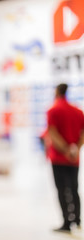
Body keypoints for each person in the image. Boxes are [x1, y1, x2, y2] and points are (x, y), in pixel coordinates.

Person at [46, 83, 84, 233]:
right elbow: (82, 134)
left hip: (58, 158)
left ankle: (67, 222)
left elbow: (53, 133)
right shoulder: (78, 111)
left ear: (56, 91)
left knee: (62, 190)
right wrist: (74, 149)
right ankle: (77, 219)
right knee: (74, 188)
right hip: (74, 158)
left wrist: (65, 150)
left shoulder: (53, 110)